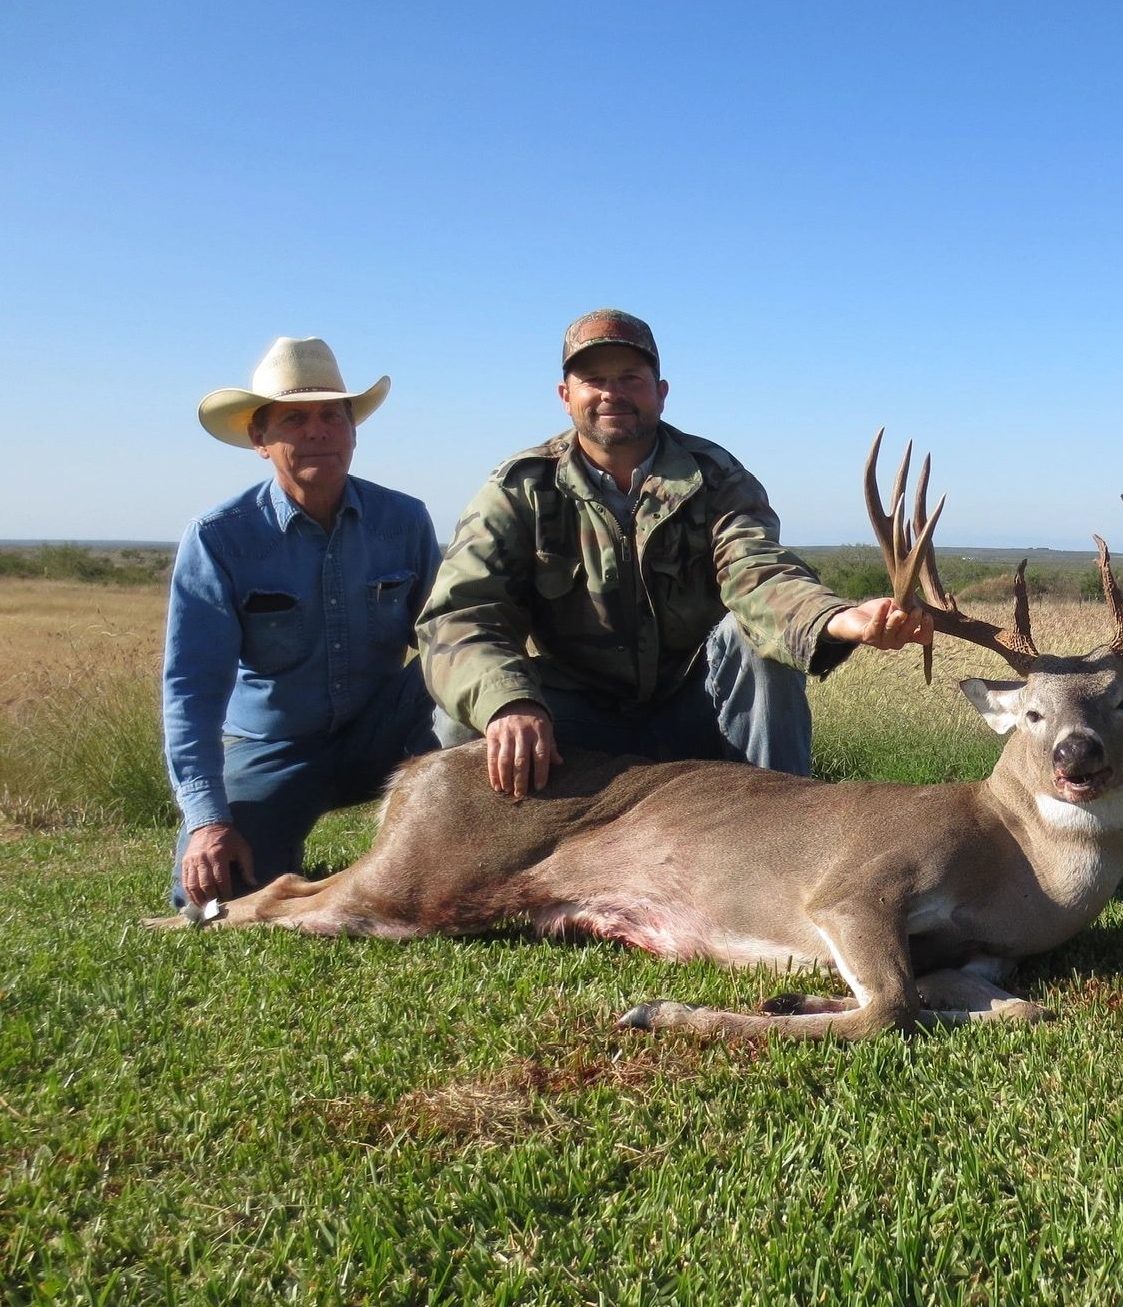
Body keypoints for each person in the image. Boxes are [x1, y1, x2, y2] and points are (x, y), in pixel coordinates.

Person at [417, 308, 928, 797]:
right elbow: (461, 616)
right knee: (470, 712)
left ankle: (782, 841)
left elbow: (756, 570)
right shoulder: (520, 488)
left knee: (759, 650)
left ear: (660, 392)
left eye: (630, 377)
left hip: (695, 708)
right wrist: (509, 702)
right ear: (565, 394)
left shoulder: (715, 476)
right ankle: (455, 871)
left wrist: (836, 618)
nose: (612, 393)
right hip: (577, 716)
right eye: (594, 379)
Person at [163, 337, 440, 910]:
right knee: (213, 900)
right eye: (294, 419)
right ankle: (261, 837)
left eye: (331, 416)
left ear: (352, 431)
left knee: (461, 681)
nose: (318, 432)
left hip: (381, 731)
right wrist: (208, 821)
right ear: (259, 439)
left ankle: (458, 845)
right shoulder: (221, 538)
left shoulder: (404, 520)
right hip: (273, 746)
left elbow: (447, 635)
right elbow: (191, 689)